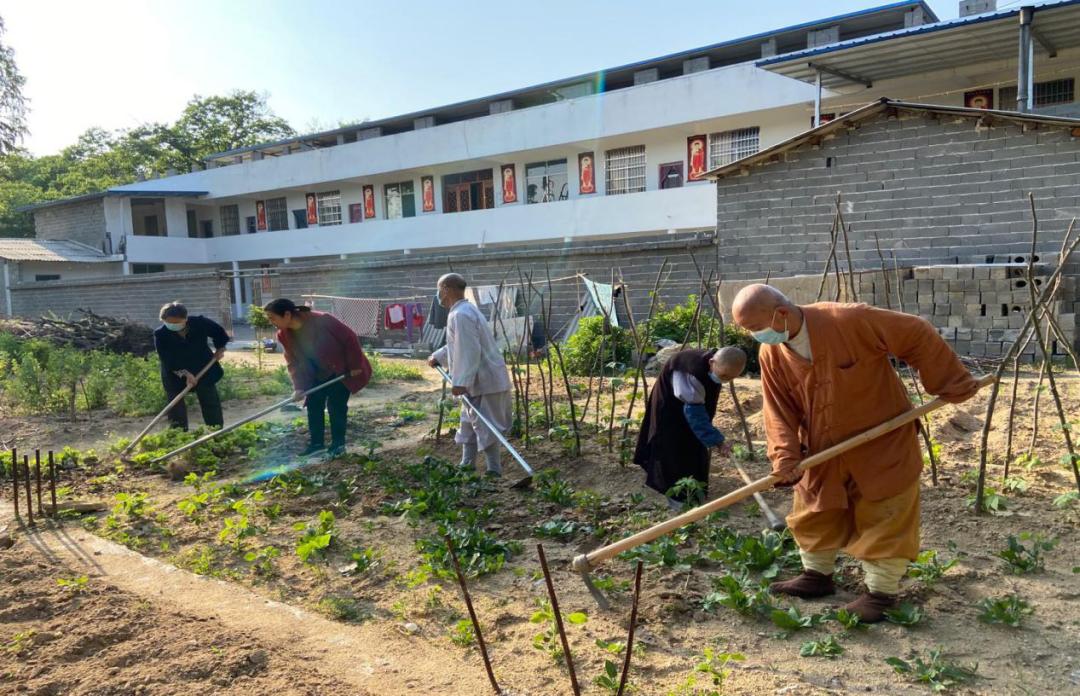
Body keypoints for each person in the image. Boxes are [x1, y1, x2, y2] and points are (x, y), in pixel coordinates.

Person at [731, 284, 979, 622]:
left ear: (782, 313)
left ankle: (880, 594)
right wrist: (785, 456)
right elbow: (778, 409)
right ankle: (816, 575)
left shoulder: (850, 320)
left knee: (885, 510)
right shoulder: (770, 353)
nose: (756, 336)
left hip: (883, 440)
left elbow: (916, 332)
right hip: (821, 446)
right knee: (815, 508)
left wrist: (948, 381)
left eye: (756, 327)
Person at [634, 346, 747, 510]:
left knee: (693, 446)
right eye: (723, 376)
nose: (725, 380)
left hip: (690, 408)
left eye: (730, 378)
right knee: (673, 450)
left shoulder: (717, 367)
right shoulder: (690, 371)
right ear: (711, 362)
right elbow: (695, 415)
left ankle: (695, 492)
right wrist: (718, 441)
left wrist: (713, 438)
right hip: (669, 410)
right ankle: (679, 500)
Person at [427, 273, 512, 477]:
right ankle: (467, 465)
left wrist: (461, 382)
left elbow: (468, 349)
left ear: (447, 289)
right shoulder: (464, 311)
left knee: (485, 427)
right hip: (481, 380)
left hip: (483, 381)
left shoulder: (461, 315)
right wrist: (438, 356)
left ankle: (494, 469)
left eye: (439, 289)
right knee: (468, 425)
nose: (438, 295)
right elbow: (456, 345)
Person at [264, 298, 372, 458]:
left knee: (336, 407)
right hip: (315, 374)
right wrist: (299, 387)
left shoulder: (322, 320)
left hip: (340, 370)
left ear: (287, 314)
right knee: (314, 406)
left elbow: (350, 338)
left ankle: (338, 445)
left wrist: (355, 365)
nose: (271, 322)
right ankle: (316, 444)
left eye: (272, 318)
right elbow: (293, 362)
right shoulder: (283, 335)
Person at [153, 302, 229, 431]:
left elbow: (219, 333)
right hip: (175, 371)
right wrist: (185, 373)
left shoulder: (199, 323)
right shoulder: (160, 334)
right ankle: (179, 435)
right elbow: (167, 359)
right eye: (169, 323)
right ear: (163, 320)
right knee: (176, 405)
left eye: (177, 323)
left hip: (202, 366)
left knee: (209, 400)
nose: (173, 326)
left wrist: (220, 348)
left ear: (185, 319)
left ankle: (215, 431)